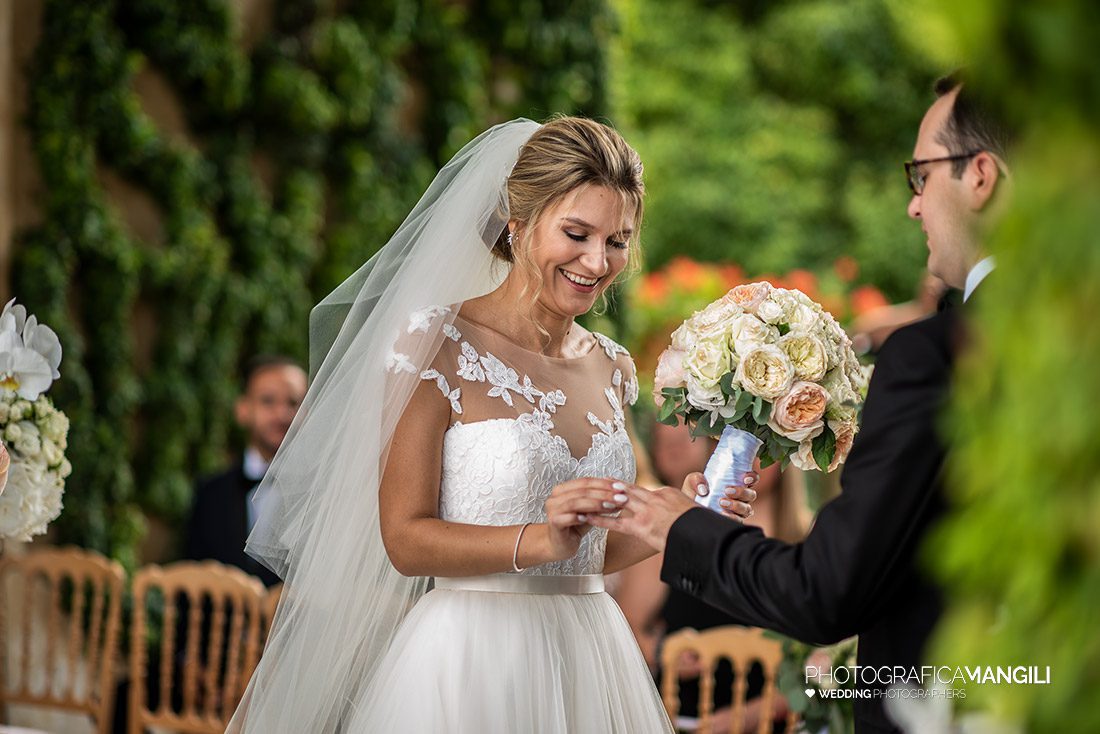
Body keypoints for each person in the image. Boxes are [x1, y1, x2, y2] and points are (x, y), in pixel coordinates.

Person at [228, 117, 754, 732]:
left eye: (617, 241)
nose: (596, 261)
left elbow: (593, 550)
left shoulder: (611, 365)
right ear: (519, 224)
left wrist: (677, 517)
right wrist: (540, 540)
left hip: (588, 654)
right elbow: (404, 538)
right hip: (472, 658)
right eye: (577, 233)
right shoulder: (435, 341)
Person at [587, 70, 1012, 733]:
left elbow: (828, 589)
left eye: (921, 175)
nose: (914, 205)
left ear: (980, 175)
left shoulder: (936, 353)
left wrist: (682, 529)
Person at [614, 421, 806, 733]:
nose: (753, 462)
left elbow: (823, 667)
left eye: (764, 449)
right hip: (685, 718)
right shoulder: (686, 536)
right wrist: (663, 652)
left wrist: (751, 714)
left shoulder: (805, 547)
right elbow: (628, 627)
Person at [184, 355, 306, 587]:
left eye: (293, 403)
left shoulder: (322, 495)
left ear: (307, 412)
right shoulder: (210, 493)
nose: (281, 414)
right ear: (243, 410)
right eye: (268, 401)